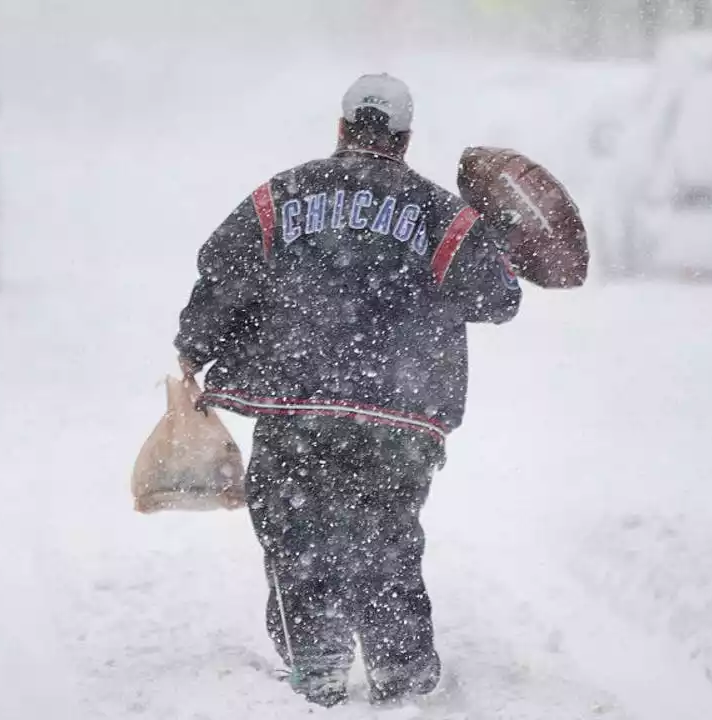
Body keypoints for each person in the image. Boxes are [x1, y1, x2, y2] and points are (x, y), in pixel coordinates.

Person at [173, 73, 522, 707]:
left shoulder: (280, 197)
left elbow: (226, 267)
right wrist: (492, 235)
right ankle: (401, 663)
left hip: (297, 402)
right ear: (406, 138)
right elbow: (498, 300)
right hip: (400, 412)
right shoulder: (441, 214)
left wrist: (196, 344)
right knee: (385, 528)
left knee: (294, 527)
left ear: (341, 127)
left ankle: (318, 653)